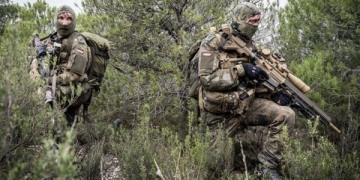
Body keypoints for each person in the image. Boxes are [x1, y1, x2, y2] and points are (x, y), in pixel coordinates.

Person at [195, 2, 295, 180]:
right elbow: (207, 79)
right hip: (221, 114)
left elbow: (255, 81)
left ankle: (266, 167)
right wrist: (241, 70)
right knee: (217, 169)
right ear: (240, 20)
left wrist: (273, 95)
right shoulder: (214, 42)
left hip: (246, 105)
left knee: (285, 114)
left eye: (258, 21)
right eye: (252, 21)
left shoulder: (251, 46)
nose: (256, 25)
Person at [35, 5, 92, 135]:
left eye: (68, 19)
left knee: (47, 94)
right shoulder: (52, 39)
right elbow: (39, 62)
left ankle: (55, 132)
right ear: (55, 19)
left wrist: (48, 81)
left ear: (73, 21)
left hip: (78, 88)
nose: (65, 23)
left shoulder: (79, 42)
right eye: (61, 18)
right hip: (59, 84)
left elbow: (74, 75)